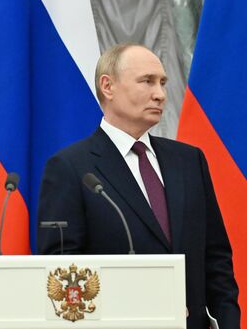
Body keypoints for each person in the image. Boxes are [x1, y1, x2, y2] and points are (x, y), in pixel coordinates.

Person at [37, 44, 240, 329]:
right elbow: (64, 274)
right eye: (147, 81)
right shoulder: (70, 168)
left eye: (163, 82)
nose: (160, 94)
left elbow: (217, 260)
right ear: (108, 86)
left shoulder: (189, 160)